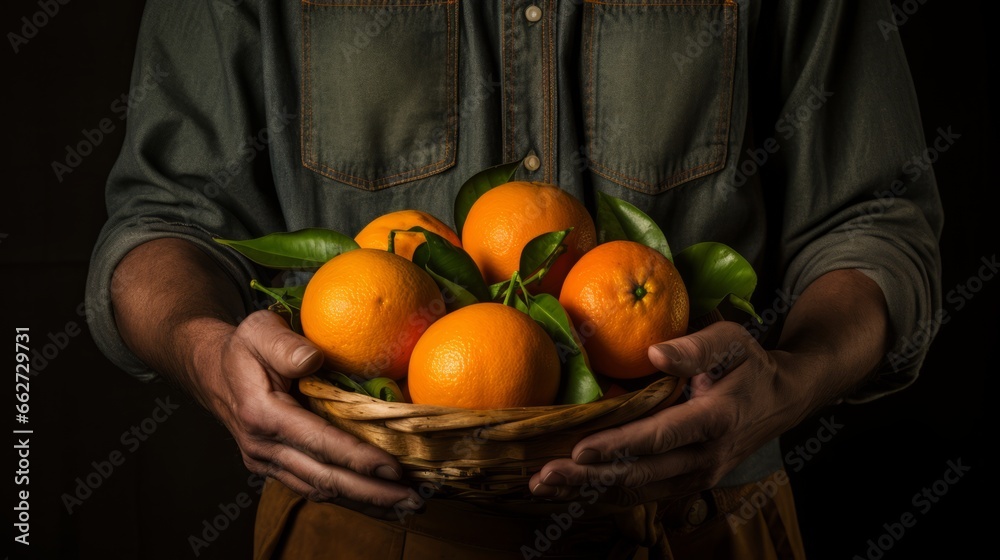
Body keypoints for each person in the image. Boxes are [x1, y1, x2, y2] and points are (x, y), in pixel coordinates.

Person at [86, 1, 942, 558]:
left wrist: (789, 381)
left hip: (697, 523)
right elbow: (161, 222)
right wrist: (209, 356)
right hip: (363, 528)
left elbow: (876, 223)